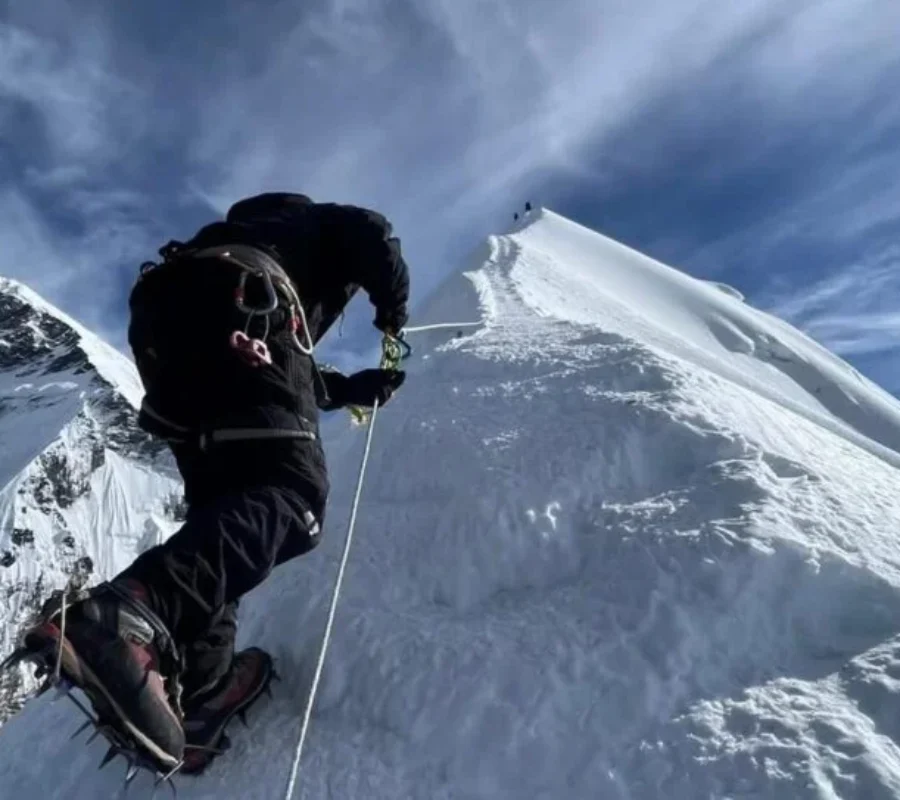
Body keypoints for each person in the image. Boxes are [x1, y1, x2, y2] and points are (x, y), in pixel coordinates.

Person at [22, 192, 410, 774]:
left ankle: (204, 692)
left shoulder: (228, 246)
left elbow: (284, 375)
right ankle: (126, 618)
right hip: (242, 310)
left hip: (176, 347)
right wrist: (393, 316)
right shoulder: (310, 222)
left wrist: (352, 389)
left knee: (228, 513)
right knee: (294, 497)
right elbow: (375, 233)